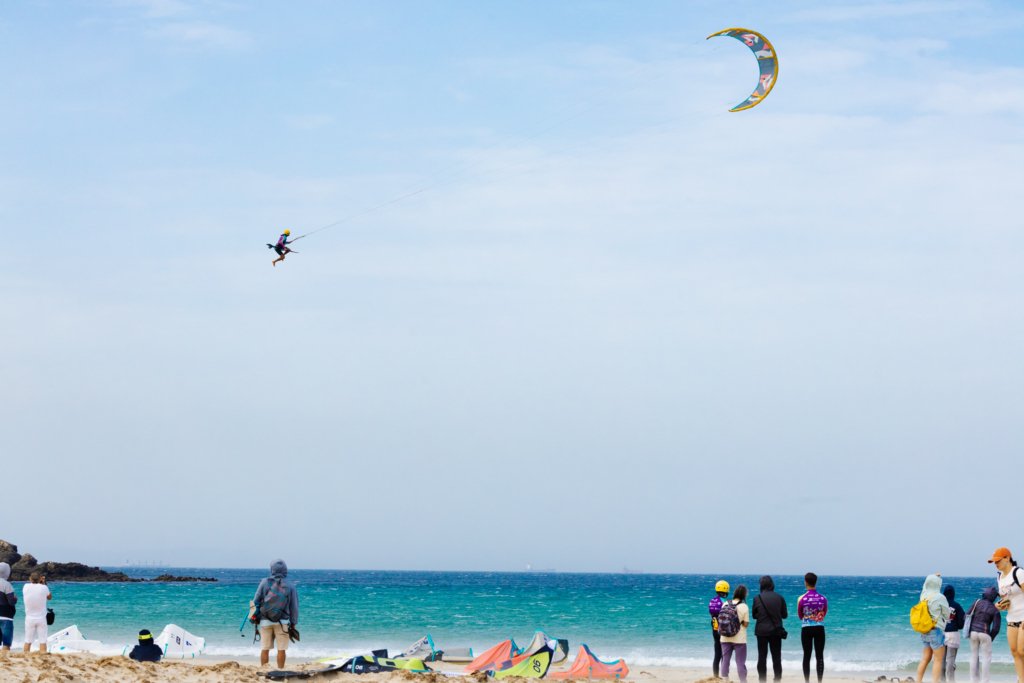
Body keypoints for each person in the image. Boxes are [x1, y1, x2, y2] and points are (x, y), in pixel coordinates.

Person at [252, 559, 299, 668]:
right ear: (285, 570)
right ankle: (280, 671)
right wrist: (293, 623)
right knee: (281, 649)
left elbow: (256, 601)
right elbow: (294, 607)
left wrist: (254, 617)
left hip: (265, 621)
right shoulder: (290, 585)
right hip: (282, 622)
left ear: (272, 569)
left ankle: (264, 670)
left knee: (265, 648)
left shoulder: (264, 582)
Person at [990, 547, 1024, 683]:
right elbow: (1007, 598)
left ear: (1007, 558)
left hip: (1023, 617)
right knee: (1014, 651)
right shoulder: (999, 577)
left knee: (1022, 650)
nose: (996, 564)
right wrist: (999, 606)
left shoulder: (1019, 573)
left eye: (998, 561)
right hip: (1011, 618)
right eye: (994, 562)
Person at [752, 575, 788, 682]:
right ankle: (777, 680)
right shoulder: (780, 597)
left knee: (762, 657)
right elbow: (784, 615)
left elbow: (754, 616)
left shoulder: (757, 598)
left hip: (761, 631)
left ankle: (762, 680)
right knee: (776, 658)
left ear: (761, 585)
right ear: (772, 585)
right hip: (776, 631)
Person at [916, 573, 951, 683]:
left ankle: (918, 681)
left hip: (924, 630)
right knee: (938, 660)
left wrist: (931, 576)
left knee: (925, 658)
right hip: (936, 631)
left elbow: (924, 587)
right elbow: (947, 615)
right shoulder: (940, 597)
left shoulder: (923, 596)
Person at [797, 572, 828, 683]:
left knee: (807, 655)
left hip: (806, 629)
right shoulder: (823, 598)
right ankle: (819, 681)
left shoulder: (801, 598)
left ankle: (807, 681)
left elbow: (800, 616)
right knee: (819, 656)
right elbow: (824, 613)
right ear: (816, 582)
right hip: (819, 628)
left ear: (805, 582)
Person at [966, 586, 1001, 683]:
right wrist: (991, 637)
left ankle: (973, 680)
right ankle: (985, 681)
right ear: (994, 597)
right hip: (985, 633)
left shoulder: (976, 602)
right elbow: (996, 628)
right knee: (986, 658)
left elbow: (966, 615)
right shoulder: (995, 610)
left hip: (973, 632)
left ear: (984, 594)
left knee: (973, 656)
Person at [720, 584, 750, 683]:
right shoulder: (744, 606)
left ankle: (725, 680)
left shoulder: (725, 604)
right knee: (740, 663)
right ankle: (743, 681)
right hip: (739, 639)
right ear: (744, 595)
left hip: (724, 637)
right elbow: (746, 625)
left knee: (725, 660)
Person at [22, 572, 51, 654]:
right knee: (42, 640)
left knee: (27, 640)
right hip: (41, 618)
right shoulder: (44, 587)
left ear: (30, 579)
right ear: (40, 579)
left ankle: (26, 657)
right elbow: (49, 597)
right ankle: (43, 656)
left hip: (29, 618)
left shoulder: (25, 587)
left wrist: (40, 582)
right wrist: (44, 583)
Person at [942, 584, 966, 681]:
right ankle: (951, 680)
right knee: (951, 660)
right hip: (953, 634)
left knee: (941, 660)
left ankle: (941, 680)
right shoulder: (957, 606)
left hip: (941, 634)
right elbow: (962, 622)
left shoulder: (940, 605)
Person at [710, 580, 730, 677]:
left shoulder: (712, 601)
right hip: (722, 630)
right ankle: (724, 675)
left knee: (717, 654)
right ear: (725, 590)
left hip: (714, 629)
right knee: (724, 655)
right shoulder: (725, 602)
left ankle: (715, 675)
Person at [0, 562, 17, 655]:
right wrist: (15, 598)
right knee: (6, 643)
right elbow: (11, 602)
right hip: (6, 616)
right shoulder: (7, 585)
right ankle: (5, 660)